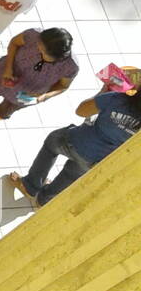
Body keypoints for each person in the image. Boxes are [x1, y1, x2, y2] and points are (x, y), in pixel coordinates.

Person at [9, 86, 141, 207]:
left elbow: (81, 111)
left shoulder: (116, 98)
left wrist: (103, 92)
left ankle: (31, 185)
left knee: (51, 144)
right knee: (70, 175)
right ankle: (43, 201)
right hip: (96, 160)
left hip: (75, 140)